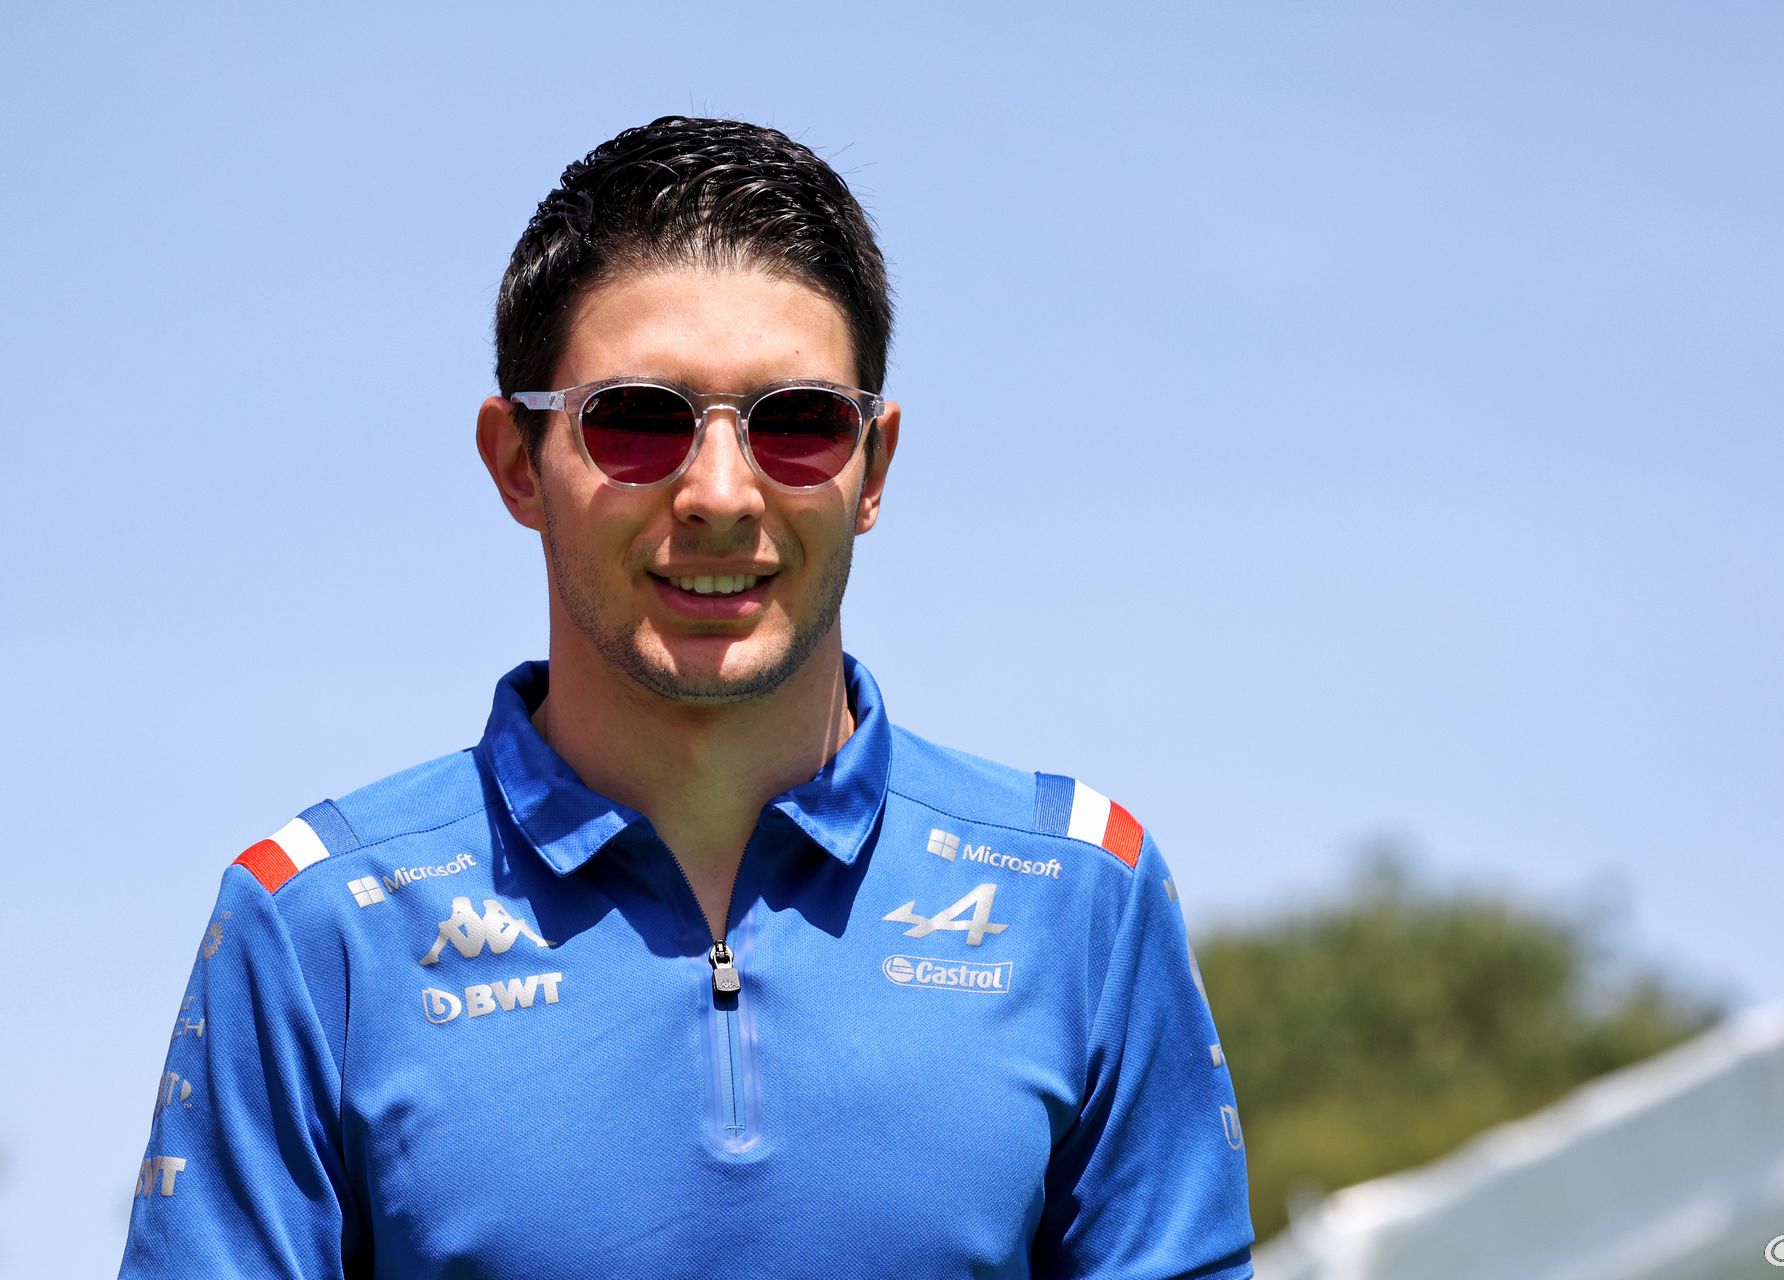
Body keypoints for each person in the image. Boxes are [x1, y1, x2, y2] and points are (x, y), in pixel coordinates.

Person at [119, 116, 1255, 1279]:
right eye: (637, 418)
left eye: (799, 421)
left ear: (874, 466)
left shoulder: (1083, 897)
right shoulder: (317, 925)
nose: (721, 492)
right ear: (517, 462)